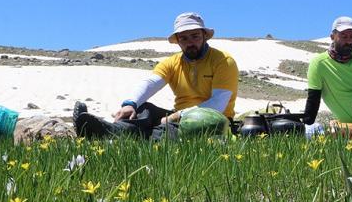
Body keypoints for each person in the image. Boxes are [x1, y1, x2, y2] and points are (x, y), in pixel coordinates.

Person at [74, 12, 239, 138]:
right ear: (178, 41)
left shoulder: (223, 61)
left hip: (216, 121)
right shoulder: (173, 62)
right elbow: (151, 83)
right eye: (184, 38)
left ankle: (130, 137)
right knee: (143, 108)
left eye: (195, 36)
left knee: (172, 128)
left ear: (204, 35)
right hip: (179, 116)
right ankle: (114, 131)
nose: (190, 43)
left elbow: (218, 104)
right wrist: (130, 104)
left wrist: (177, 116)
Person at [302, 16, 352, 125]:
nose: (349, 41)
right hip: (351, 125)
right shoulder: (319, 64)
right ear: (332, 36)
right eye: (344, 36)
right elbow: (313, 100)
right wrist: (305, 126)